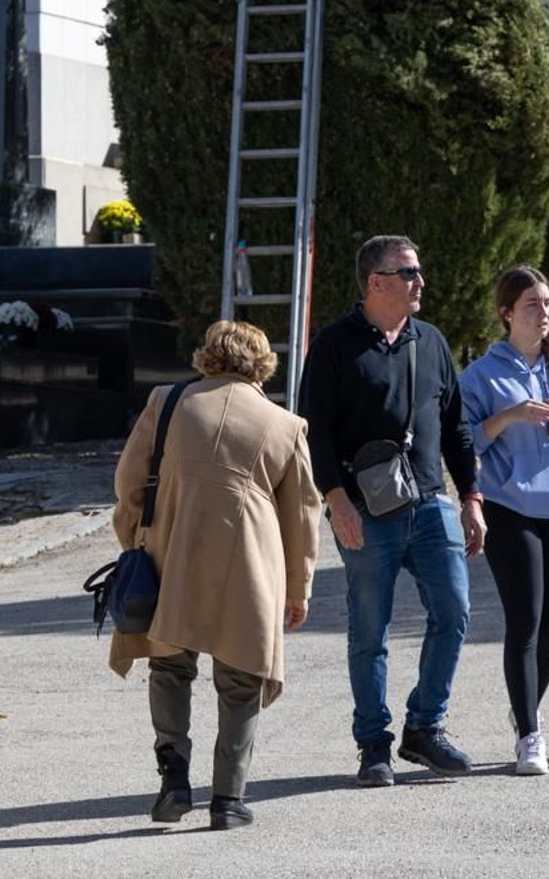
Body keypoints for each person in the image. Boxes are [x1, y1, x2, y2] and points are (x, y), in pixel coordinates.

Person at [108, 320, 321, 830]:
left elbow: (129, 483)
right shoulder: (286, 426)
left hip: (171, 553)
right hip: (249, 565)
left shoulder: (166, 402)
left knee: (169, 667)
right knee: (241, 680)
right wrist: (298, 590)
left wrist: (135, 540)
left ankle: (173, 780)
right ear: (263, 363)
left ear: (208, 354)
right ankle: (228, 799)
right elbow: (302, 519)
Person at [297, 234, 485, 787]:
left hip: (430, 502)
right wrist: (336, 501)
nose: (419, 281)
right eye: (408, 272)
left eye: (418, 271)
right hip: (363, 508)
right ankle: (373, 744)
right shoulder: (334, 345)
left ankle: (425, 728)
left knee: (454, 612)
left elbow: (456, 427)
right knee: (369, 632)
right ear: (375, 282)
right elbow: (316, 433)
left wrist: (471, 498)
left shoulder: (431, 341)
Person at [460, 266, 549, 776]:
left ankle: (525, 708)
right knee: (526, 621)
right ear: (506, 314)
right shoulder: (480, 375)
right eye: (531, 305)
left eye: (547, 303)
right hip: (509, 508)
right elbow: (465, 442)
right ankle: (530, 734)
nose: (543, 314)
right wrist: (510, 415)